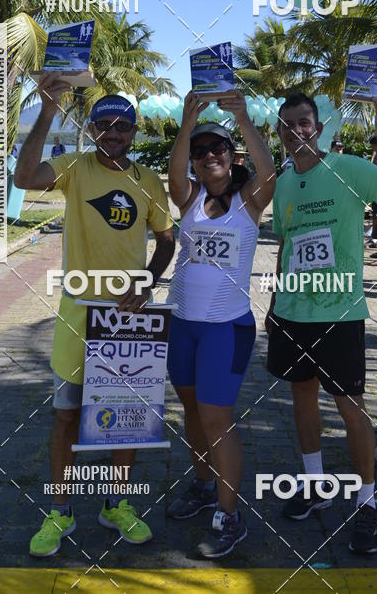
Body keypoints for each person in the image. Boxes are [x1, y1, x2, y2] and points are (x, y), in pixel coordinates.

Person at [15, 77, 175, 557]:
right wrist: (46, 110)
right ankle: (60, 510)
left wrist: (146, 283)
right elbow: (24, 178)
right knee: (66, 416)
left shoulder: (148, 180)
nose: (113, 132)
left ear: (134, 131)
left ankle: (115, 503)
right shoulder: (76, 168)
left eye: (122, 125)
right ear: (90, 127)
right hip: (78, 312)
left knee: (125, 419)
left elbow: (167, 239)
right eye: (104, 124)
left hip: (127, 322)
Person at [266, 92, 377, 555]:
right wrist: (274, 302)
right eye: (287, 124)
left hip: (339, 315)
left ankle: (367, 502)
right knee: (302, 398)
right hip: (292, 312)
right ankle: (315, 483)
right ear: (279, 132)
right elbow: (286, 242)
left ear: (318, 127)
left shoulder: (349, 167)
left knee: (351, 407)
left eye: (304, 122)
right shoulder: (282, 183)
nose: (296, 130)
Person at [165, 90, 275, 559]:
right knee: (192, 414)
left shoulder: (247, 203)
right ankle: (204, 485)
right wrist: (187, 123)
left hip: (225, 329)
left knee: (217, 419)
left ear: (232, 159)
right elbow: (172, 177)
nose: (210, 156)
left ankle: (230, 516)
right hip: (182, 325)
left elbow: (269, 172)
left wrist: (242, 117)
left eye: (219, 150)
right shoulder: (187, 198)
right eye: (201, 152)